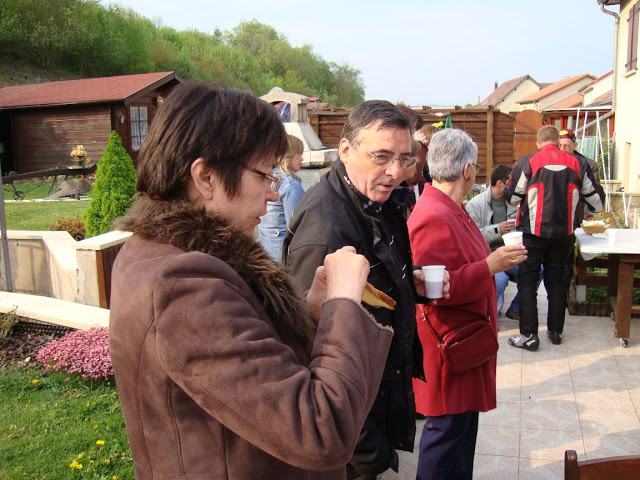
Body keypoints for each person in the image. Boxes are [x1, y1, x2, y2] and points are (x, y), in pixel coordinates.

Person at [108, 83, 396, 480]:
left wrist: (312, 311)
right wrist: (343, 304)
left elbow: (248, 374)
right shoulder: (183, 284)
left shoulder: (167, 254)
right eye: (264, 175)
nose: (275, 194)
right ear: (206, 177)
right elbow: (319, 430)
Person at [284, 100, 450, 479]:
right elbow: (308, 345)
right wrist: (363, 447)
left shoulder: (379, 200)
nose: (395, 172)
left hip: (378, 387)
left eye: (405, 159)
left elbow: (377, 284)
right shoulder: (325, 228)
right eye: (381, 156)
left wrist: (413, 282)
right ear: (345, 150)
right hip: (352, 419)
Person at [408, 128, 527, 480]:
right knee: (445, 438)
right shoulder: (432, 214)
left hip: (465, 342)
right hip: (449, 346)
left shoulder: (450, 207)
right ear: (468, 171)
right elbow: (433, 290)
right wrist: (490, 267)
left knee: (460, 435)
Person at [505, 125, 603, 351]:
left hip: (532, 233)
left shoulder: (527, 162)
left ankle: (529, 336)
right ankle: (556, 331)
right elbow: (596, 201)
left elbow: (511, 199)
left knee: (528, 283)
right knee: (557, 282)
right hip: (564, 234)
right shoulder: (579, 163)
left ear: (539, 144)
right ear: (557, 142)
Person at [465, 164, 522, 319]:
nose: (514, 187)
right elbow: (473, 236)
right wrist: (498, 229)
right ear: (500, 183)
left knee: (537, 270)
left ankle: (516, 309)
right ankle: (492, 316)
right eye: (511, 183)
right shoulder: (476, 205)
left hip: (511, 252)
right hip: (488, 255)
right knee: (499, 279)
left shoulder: (513, 201)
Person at [258, 134, 305, 261]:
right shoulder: (291, 186)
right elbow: (296, 227)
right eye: (298, 153)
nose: (302, 158)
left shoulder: (268, 179)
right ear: (288, 155)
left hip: (264, 249)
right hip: (280, 253)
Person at [558, 128, 601, 228]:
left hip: (577, 214)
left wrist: (590, 210)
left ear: (575, 145)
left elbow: (594, 190)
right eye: (560, 145)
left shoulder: (589, 165)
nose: (562, 149)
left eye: (566, 146)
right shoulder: (550, 162)